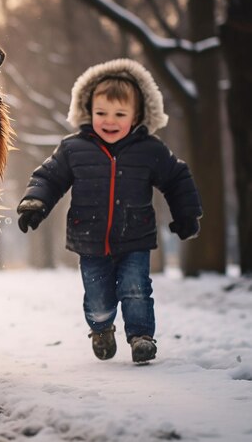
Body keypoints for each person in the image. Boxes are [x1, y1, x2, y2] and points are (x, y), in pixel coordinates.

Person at [16, 59, 202, 363]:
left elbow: (177, 177)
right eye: (101, 113)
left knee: (136, 289)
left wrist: (186, 213)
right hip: (89, 238)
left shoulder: (150, 150)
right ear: (89, 112)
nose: (109, 121)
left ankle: (141, 336)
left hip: (136, 236)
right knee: (98, 297)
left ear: (137, 115)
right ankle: (101, 328)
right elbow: (49, 177)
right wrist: (36, 202)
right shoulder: (73, 148)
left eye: (119, 114)